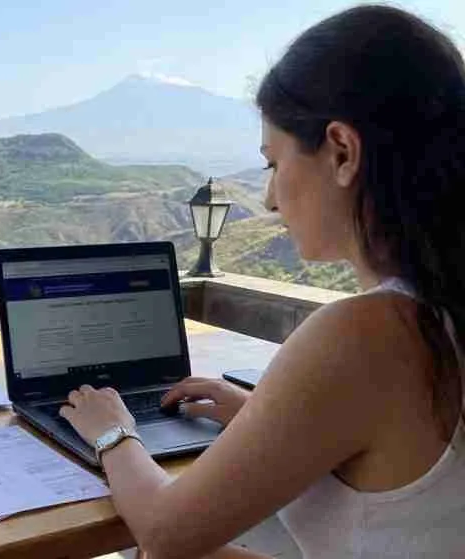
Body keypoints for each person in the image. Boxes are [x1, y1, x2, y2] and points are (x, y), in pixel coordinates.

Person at [59, 5, 465, 558]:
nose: (271, 199)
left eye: (273, 163)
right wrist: (261, 414)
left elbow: (163, 530)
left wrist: (112, 431)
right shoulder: (439, 310)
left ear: (342, 152)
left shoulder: (369, 332)